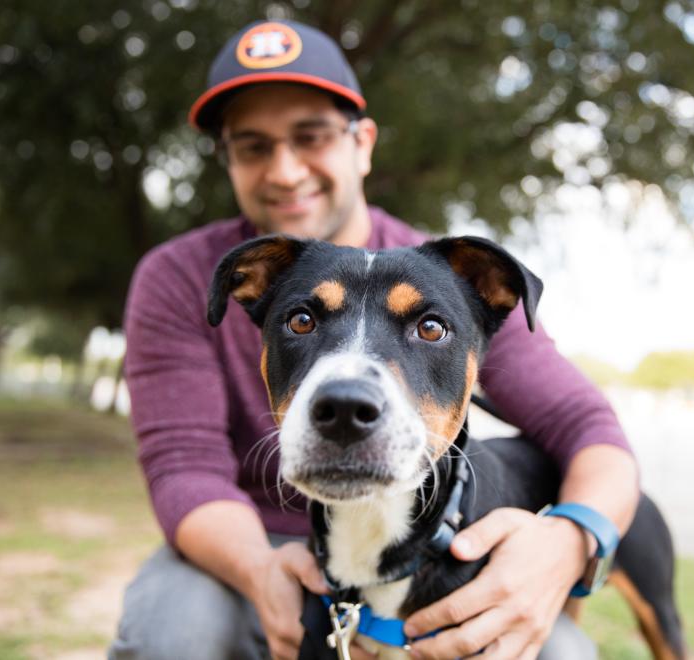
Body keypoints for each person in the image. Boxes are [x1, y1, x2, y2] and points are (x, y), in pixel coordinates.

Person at [110, 19, 639, 660]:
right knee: (177, 627)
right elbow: (183, 466)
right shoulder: (182, 275)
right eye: (252, 147)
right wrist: (260, 572)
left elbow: (590, 431)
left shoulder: (451, 281)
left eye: (311, 137)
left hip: (428, 539)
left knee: (562, 653)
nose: (283, 170)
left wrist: (568, 542)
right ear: (228, 160)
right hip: (258, 538)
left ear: (363, 143)